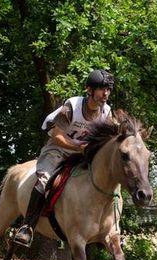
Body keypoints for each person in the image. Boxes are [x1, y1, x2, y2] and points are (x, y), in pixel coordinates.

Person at [13, 69, 114, 247]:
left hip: (82, 153)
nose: (105, 93)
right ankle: (27, 226)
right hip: (58, 150)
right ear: (89, 90)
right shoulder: (72, 106)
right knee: (44, 181)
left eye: (108, 89)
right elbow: (57, 137)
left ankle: (99, 229)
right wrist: (78, 147)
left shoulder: (106, 113)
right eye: (101, 89)